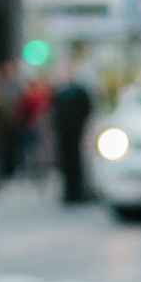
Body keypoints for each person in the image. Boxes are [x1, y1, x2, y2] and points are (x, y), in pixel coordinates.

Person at [49, 62, 94, 204]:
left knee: (76, 162)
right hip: (64, 133)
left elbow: (87, 109)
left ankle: (77, 191)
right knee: (66, 163)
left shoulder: (79, 91)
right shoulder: (59, 92)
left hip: (76, 132)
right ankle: (69, 192)